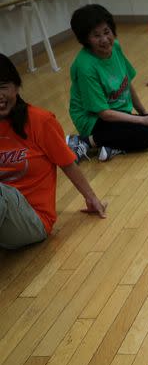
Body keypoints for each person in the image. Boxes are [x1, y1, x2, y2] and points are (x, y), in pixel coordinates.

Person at [0, 54, 106, 250]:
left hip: (33, 220)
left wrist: (91, 198)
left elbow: (67, 163)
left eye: (3, 86)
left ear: (16, 87)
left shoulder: (40, 121)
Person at [65, 4, 148, 163]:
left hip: (117, 113)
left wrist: (145, 113)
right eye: (96, 36)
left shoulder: (115, 47)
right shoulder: (85, 67)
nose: (104, 39)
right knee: (146, 136)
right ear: (85, 39)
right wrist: (143, 121)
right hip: (94, 120)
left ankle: (112, 145)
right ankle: (85, 141)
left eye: (107, 32)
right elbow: (103, 113)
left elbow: (127, 83)